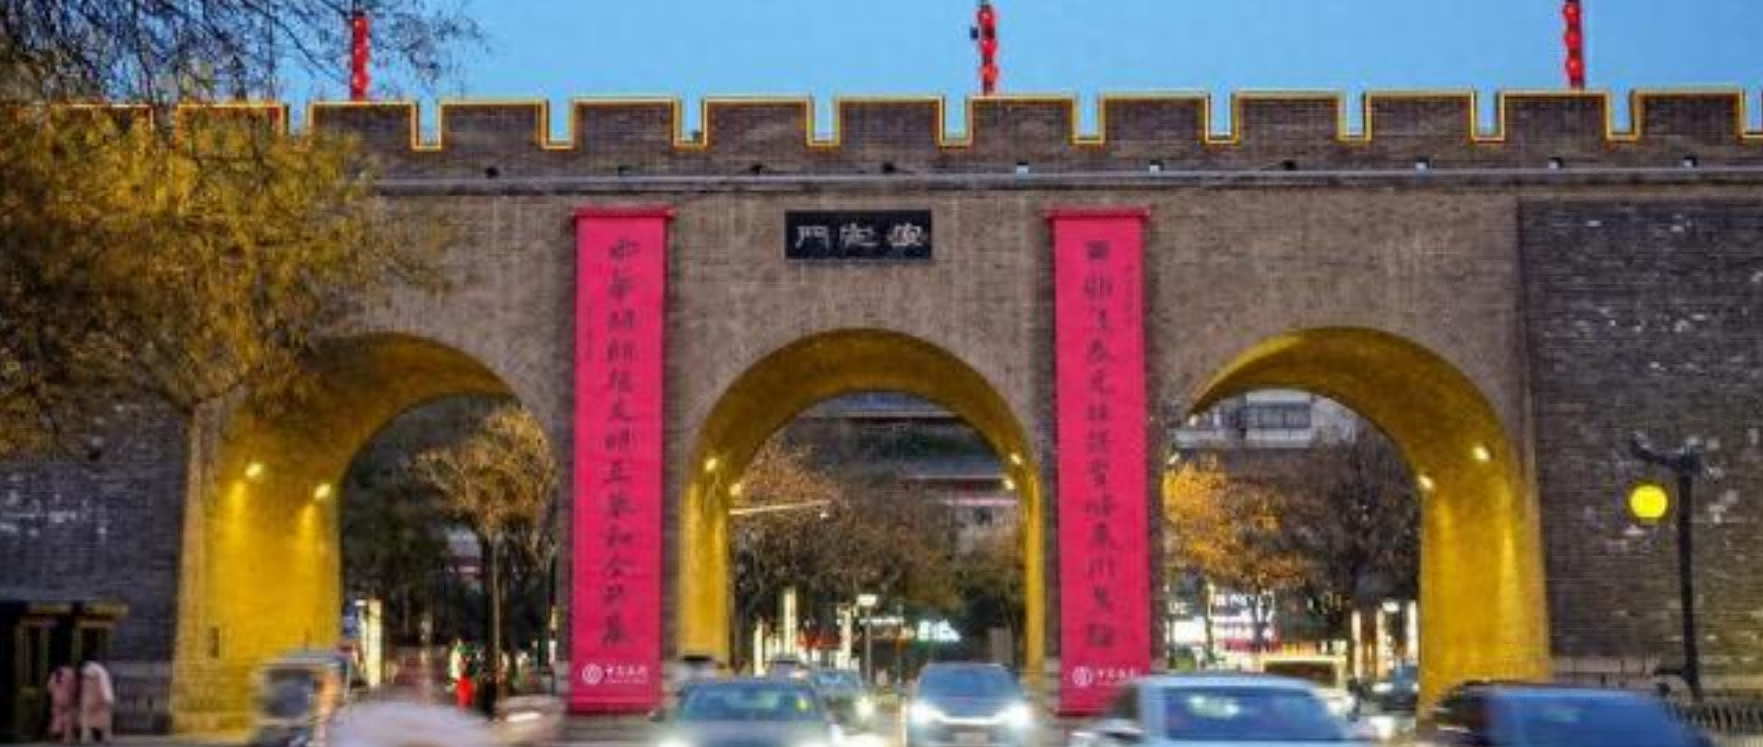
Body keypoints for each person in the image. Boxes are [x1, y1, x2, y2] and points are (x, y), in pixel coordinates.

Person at [78, 657, 115, 744]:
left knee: (86, 719)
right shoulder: (101, 672)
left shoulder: (87, 675)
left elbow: (87, 688)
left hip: (89, 699)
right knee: (104, 717)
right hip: (102, 698)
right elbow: (104, 687)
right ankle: (107, 736)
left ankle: (86, 737)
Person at [46, 662, 78, 744]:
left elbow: (49, 687)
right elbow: (73, 687)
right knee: (68, 718)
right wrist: (73, 695)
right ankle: (67, 737)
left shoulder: (55, 673)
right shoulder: (70, 673)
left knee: (57, 716)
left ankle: (57, 733)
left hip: (56, 699)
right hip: (67, 698)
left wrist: (55, 693)